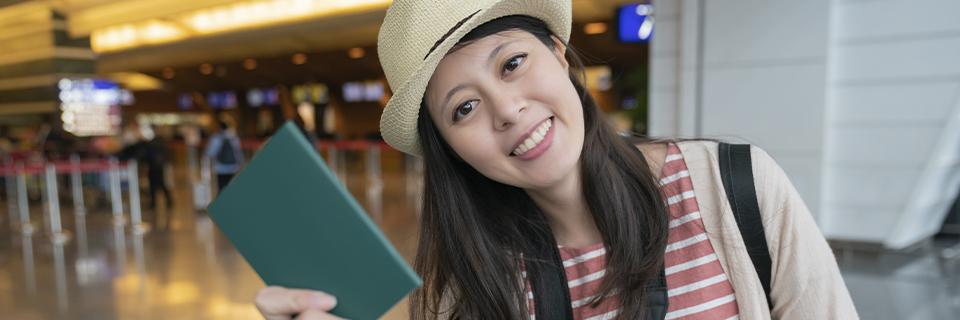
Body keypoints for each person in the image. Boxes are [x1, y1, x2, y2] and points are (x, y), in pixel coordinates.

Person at [254, 1, 859, 319]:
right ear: (449, 149)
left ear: (560, 53)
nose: (508, 110)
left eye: (512, 63)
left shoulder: (737, 189)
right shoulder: (462, 289)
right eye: (463, 108)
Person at [205, 120, 244, 192]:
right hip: (233, 167)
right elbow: (238, 151)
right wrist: (240, 163)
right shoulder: (233, 137)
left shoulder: (216, 138)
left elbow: (211, 152)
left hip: (221, 168)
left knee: (221, 187)